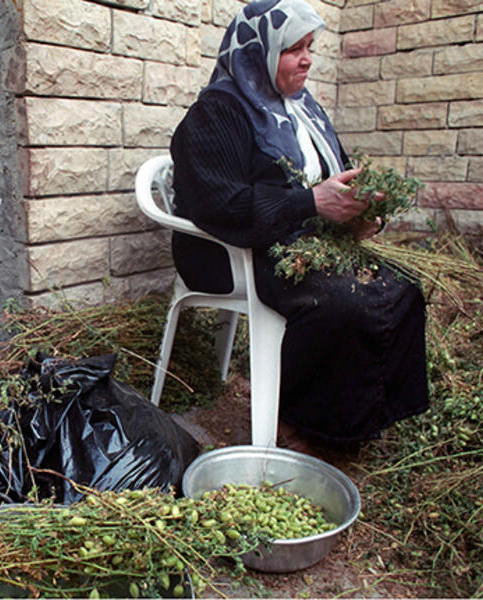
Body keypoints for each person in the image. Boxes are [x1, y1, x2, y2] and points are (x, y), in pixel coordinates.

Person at [169, 0, 428, 451]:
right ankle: (299, 425)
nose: (307, 58)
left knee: (401, 288)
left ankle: (363, 419)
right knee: (342, 303)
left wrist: (357, 214)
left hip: (297, 240)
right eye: (293, 49)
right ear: (258, 51)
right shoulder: (219, 111)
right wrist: (311, 202)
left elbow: (335, 178)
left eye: (310, 47)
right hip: (234, 249)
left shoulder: (302, 109)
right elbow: (217, 202)